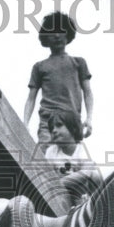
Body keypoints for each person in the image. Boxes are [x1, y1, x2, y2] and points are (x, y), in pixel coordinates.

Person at [23, 12, 93, 145]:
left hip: (72, 121)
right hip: (48, 122)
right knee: (46, 158)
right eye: (52, 32)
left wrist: (89, 119)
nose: (56, 35)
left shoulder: (79, 63)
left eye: (61, 31)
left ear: (67, 34)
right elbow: (31, 98)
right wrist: (25, 123)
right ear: (46, 37)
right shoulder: (39, 67)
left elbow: (88, 92)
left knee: (70, 162)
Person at [42, 109, 103, 206]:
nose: (54, 130)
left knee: (95, 176)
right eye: (51, 128)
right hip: (61, 194)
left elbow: (86, 172)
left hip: (82, 192)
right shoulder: (52, 151)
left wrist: (61, 182)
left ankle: (94, 206)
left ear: (73, 128)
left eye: (59, 125)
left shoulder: (81, 149)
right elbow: (46, 176)